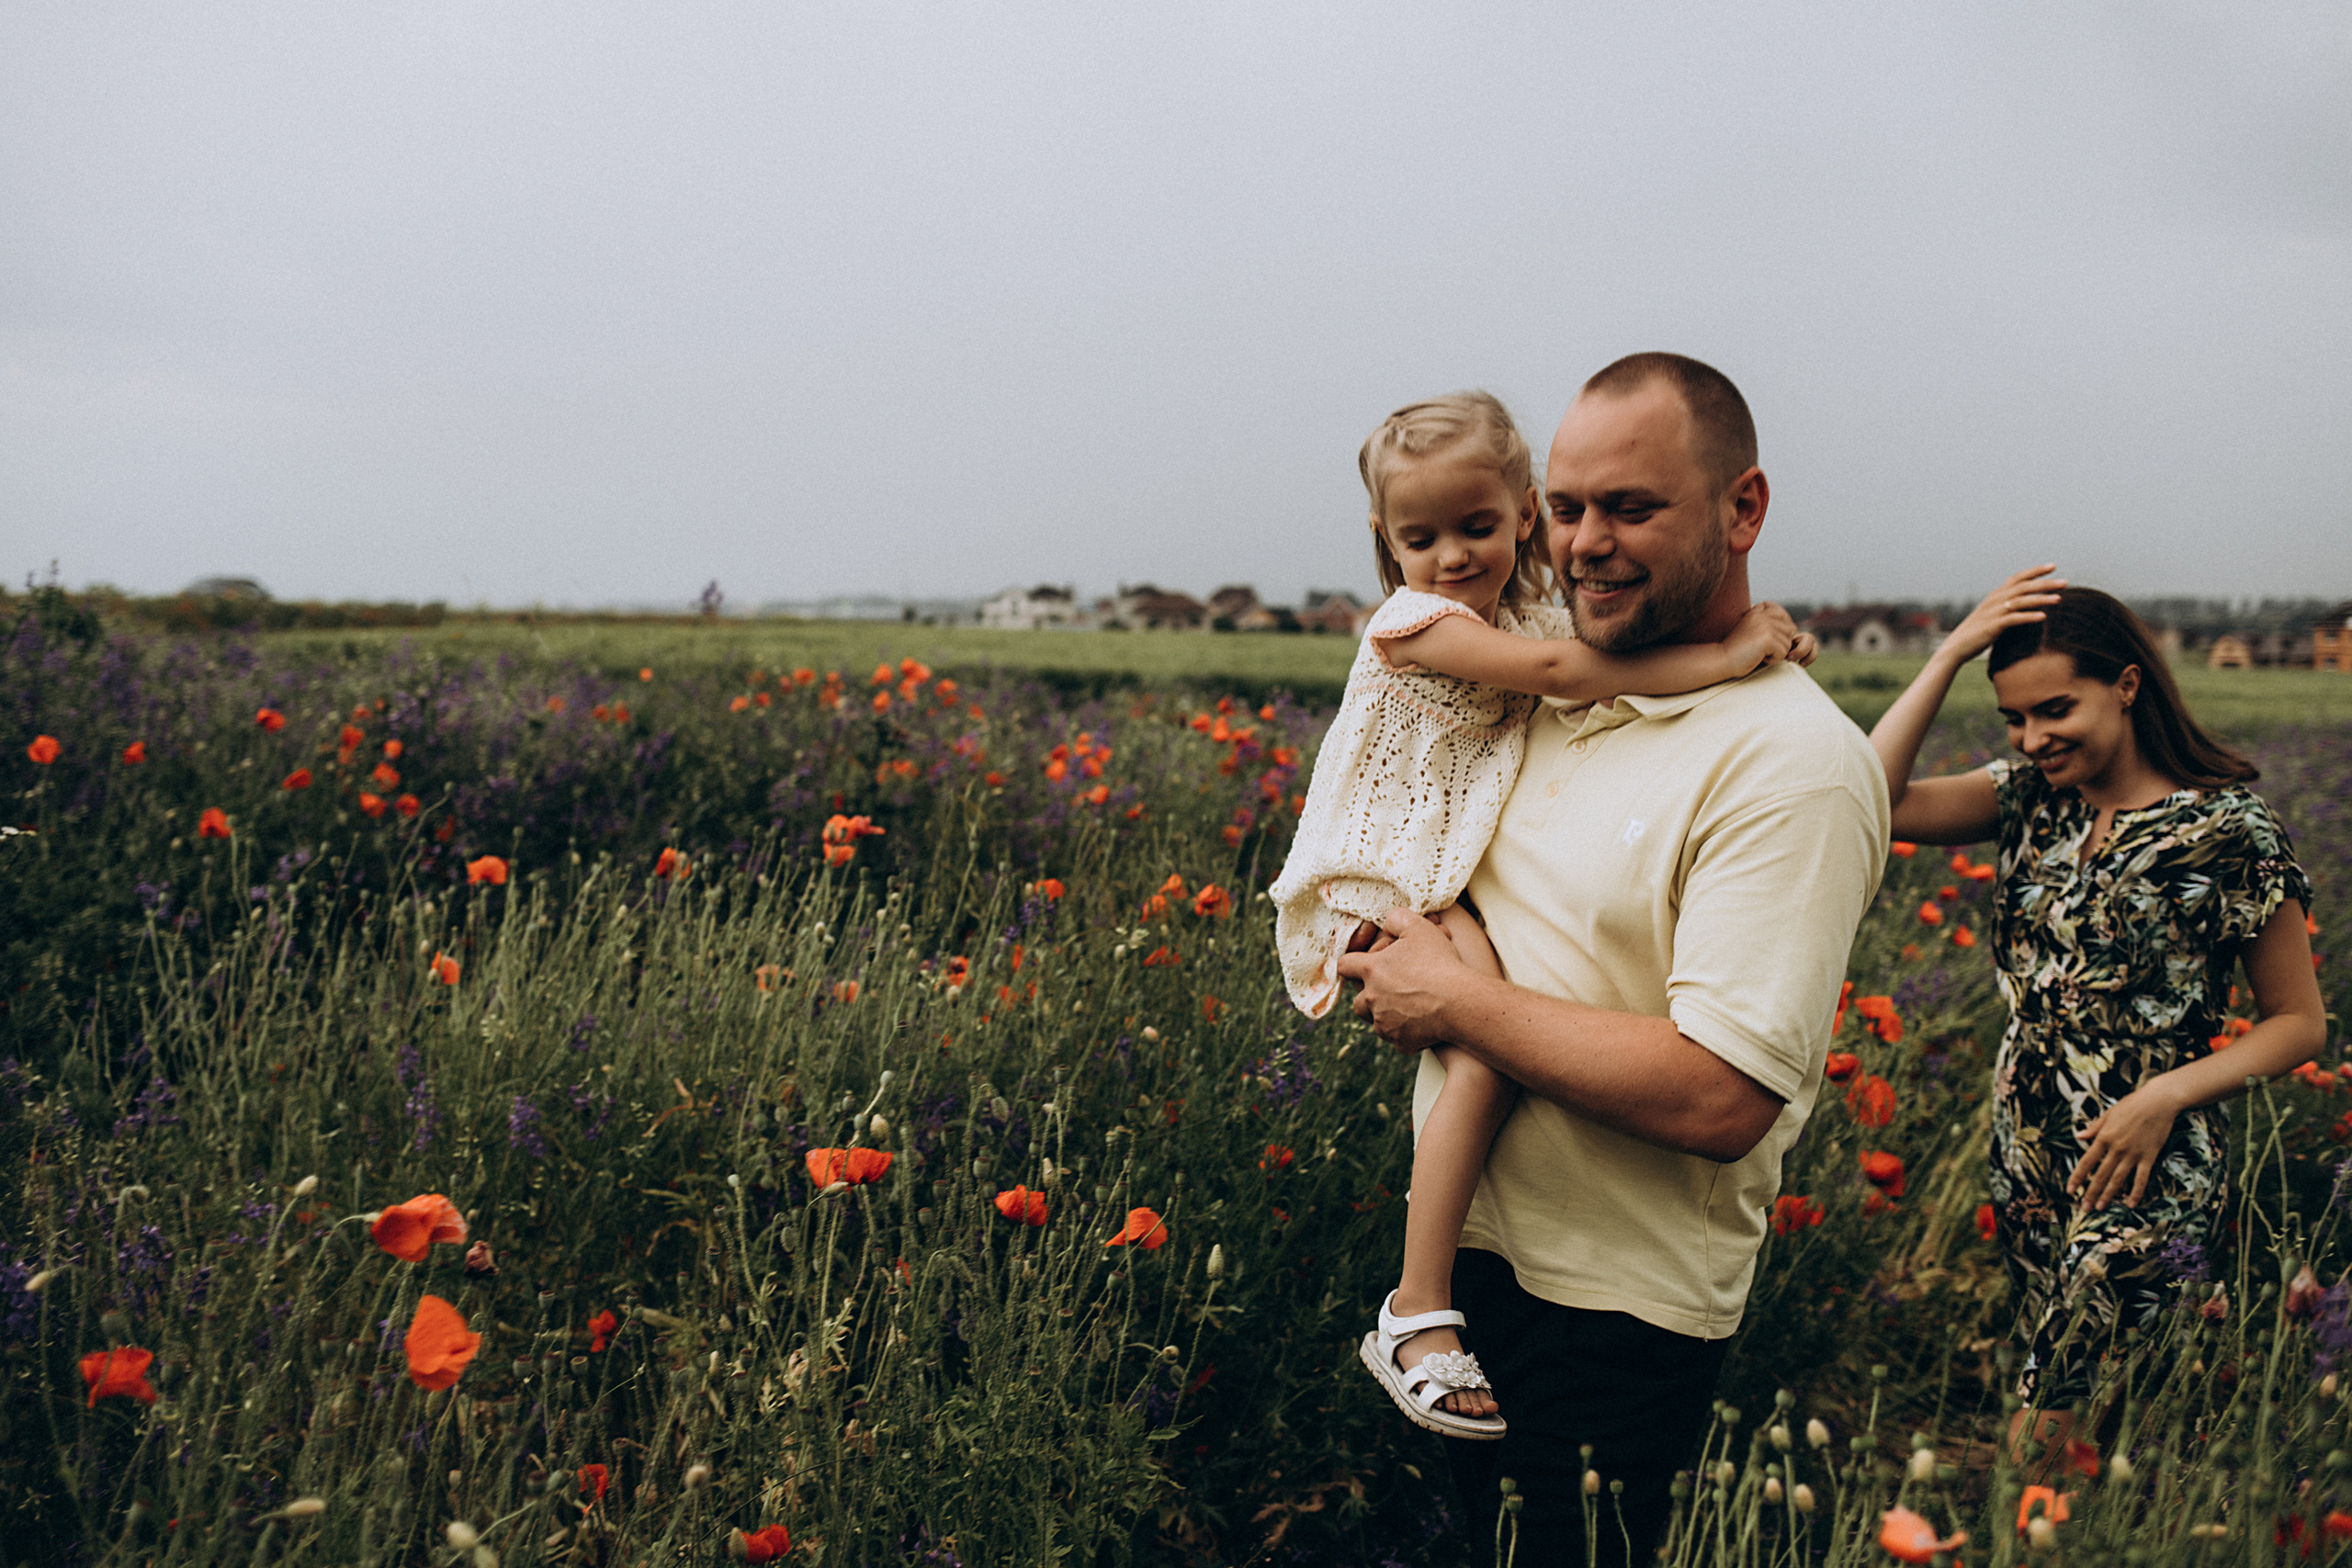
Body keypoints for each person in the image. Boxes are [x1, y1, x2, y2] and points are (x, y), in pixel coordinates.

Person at [1338, 354, 1887, 1563]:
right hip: (1465, 1268)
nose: (1589, 541)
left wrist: (1457, 998)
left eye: (1633, 507)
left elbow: (1720, 1090)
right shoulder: (1551, 689)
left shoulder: (1790, 761)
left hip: (1610, 1308)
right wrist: (1402, 956)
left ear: (1742, 508)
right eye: (1572, 506)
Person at [1269, 390, 1812, 1441]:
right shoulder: (1412, 622)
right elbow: (1572, 674)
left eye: (1476, 527)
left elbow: (1604, 660)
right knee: (1484, 1041)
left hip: (1441, 872)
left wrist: (1753, 639)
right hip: (1378, 881)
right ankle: (1415, 1307)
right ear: (1385, 544)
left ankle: (1436, 1291)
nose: (1450, 556)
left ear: (1523, 515)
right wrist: (1729, 654)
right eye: (1418, 537)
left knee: (1490, 1026)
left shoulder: (1530, 611)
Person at [1865, 569, 2324, 1458]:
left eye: (2054, 710)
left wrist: (2165, 1098)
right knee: (2094, 1423)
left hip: (2148, 1160)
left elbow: (2299, 1023)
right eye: (2013, 719)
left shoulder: (2227, 830)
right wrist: (1950, 652)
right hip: (2031, 1151)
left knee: (2044, 1418)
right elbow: (1871, 800)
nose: (2033, 737)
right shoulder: (2029, 800)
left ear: (2125, 685)